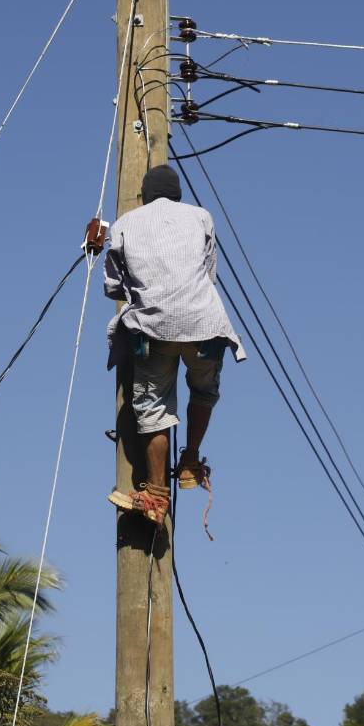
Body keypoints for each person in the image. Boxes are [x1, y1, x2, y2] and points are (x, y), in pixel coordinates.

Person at [103, 164, 246, 525]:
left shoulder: (123, 224)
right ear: (178, 194)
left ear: (145, 196)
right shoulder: (201, 217)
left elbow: (113, 287)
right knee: (203, 390)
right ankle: (190, 463)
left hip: (154, 329)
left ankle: (154, 495)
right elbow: (209, 271)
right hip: (206, 325)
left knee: (152, 411)